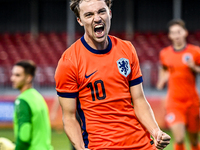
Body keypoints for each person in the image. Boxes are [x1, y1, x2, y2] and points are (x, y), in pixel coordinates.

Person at [55, 0, 171, 149]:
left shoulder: (126, 49)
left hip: (142, 144)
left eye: (101, 11)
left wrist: (156, 131)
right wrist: (80, 148)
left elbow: (139, 100)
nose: (97, 18)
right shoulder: (69, 61)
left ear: (110, 13)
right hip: (101, 145)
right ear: (80, 21)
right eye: (89, 14)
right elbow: (69, 117)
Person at [157, 19, 200, 150]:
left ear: (185, 33)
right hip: (174, 102)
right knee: (179, 138)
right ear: (170, 36)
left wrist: (194, 67)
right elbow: (164, 69)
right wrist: (162, 80)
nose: (176, 35)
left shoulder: (195, 52)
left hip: (192, 101)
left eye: (179, 32)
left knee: (193, 140)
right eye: (173, 33)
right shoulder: (165, 53)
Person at [10, 60, 53, 150]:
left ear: (29, 78)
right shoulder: (38, 97)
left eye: (17, 75)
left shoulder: (22, 100)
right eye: (13, 75)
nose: (12, 78)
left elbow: (24, 136)